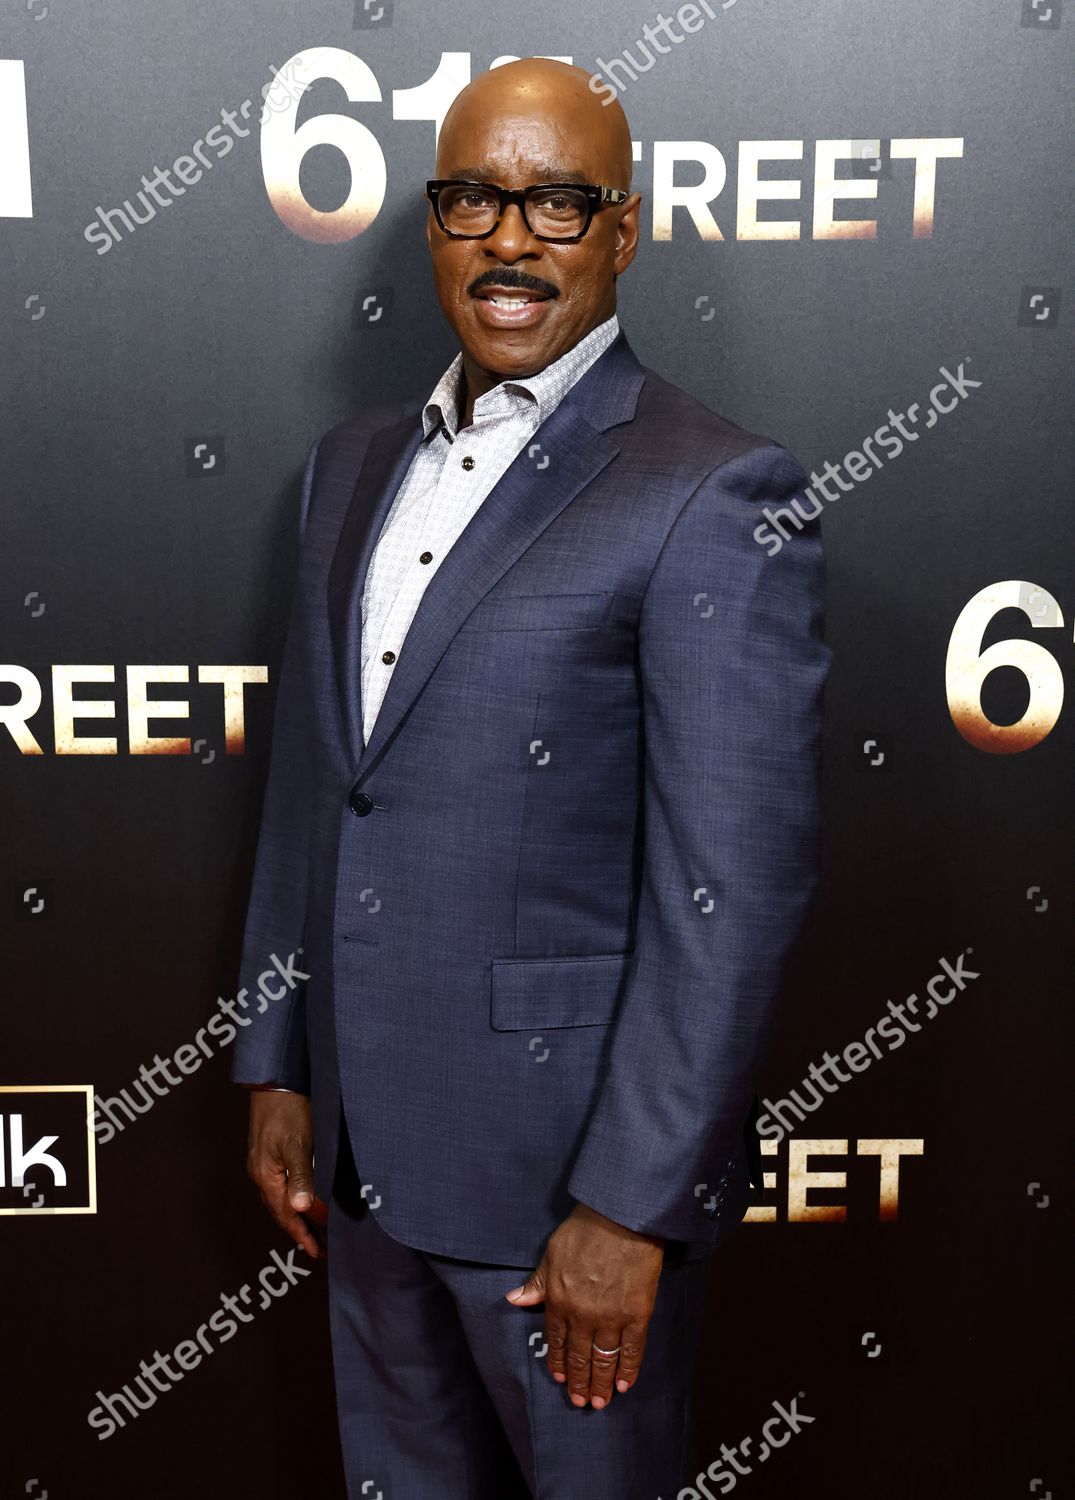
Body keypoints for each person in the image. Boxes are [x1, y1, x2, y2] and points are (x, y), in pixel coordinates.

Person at [232, 55, 829, 1500]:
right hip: (363, 1172)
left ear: (625, 231)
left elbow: (731, 893)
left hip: (563, 1198)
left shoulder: (710, 491)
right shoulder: (348, 466)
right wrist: (279, 1059)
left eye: (559, 203)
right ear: (432, 224)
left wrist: (630, 1207)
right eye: (475, 199)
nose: (511, 239)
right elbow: (320, 789)